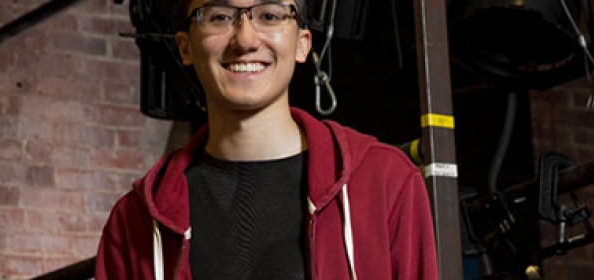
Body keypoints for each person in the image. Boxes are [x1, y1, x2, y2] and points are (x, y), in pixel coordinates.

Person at [95, 0, 439, 279]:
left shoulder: (384, 183)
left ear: (303, 43)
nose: (245, 39)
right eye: (219, 16)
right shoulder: (135, 222)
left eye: (270, 15)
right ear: (185, 46)